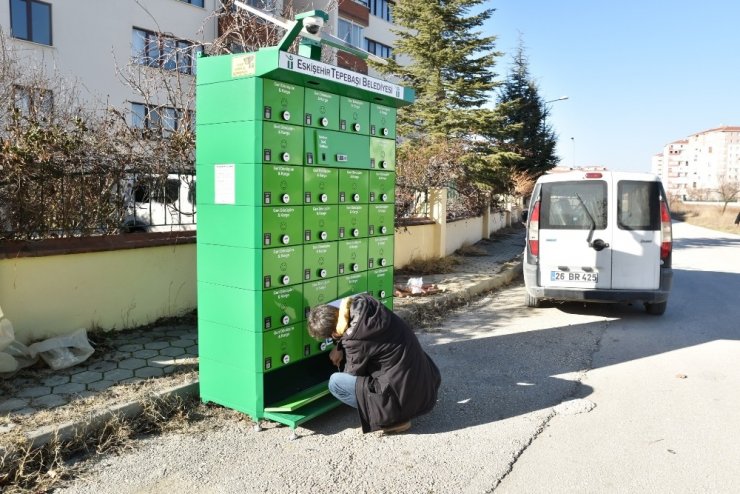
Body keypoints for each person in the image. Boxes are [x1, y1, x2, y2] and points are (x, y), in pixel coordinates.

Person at [307, 294, 441, 434]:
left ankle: (396, 419)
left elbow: (352, 373)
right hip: (426, 383)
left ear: (334, 333)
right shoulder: (366, 303)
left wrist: (342, 350)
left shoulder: (354, 341)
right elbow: (358, 335)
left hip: (406, 399)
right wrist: (340, 346)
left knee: (336, 382)